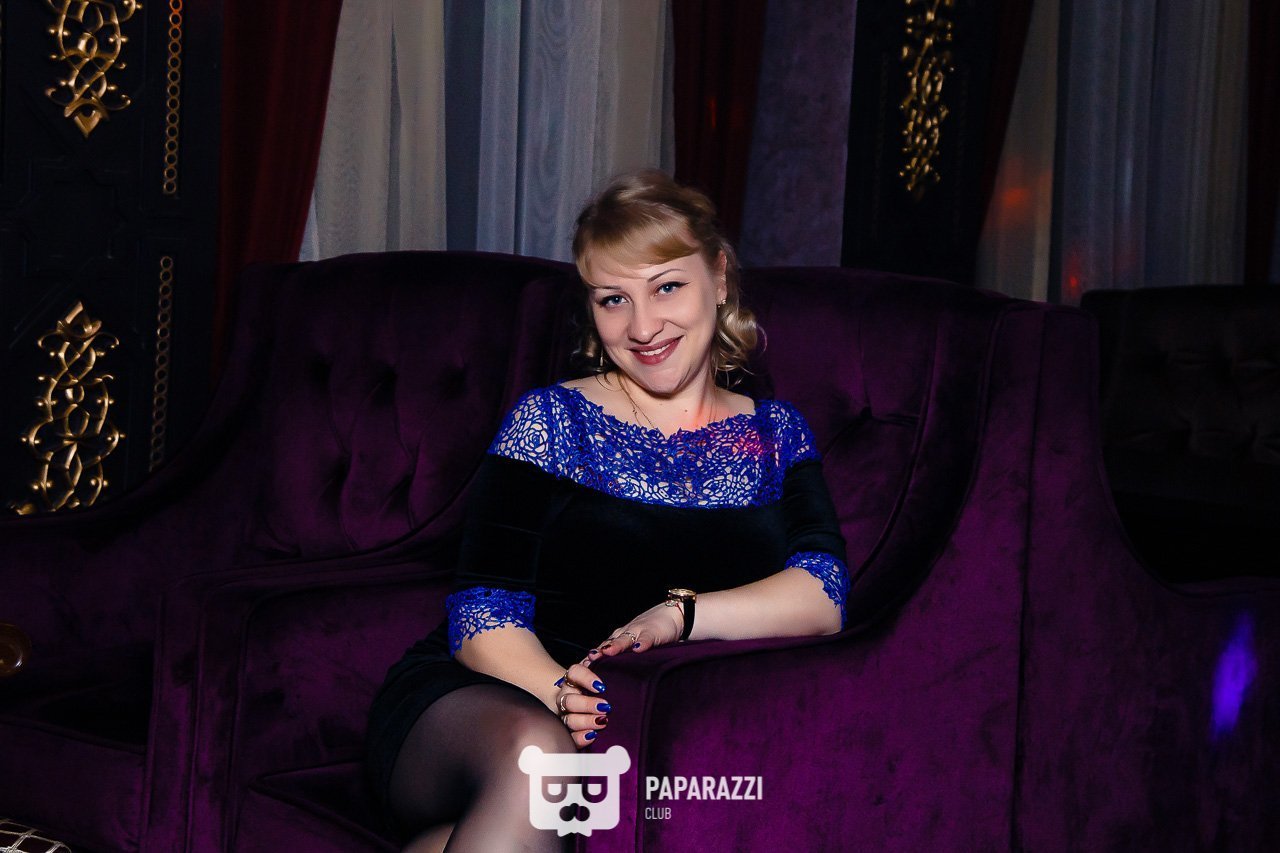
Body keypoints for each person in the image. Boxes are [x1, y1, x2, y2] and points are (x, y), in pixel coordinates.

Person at [365, 169, 849, 852]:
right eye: (613, 299)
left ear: (719, 276)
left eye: (667, 287)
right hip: (481, 701)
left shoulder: (777, 434)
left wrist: (679, 615)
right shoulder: (551, 420)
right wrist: (562, 694)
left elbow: (823, 593)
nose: (642, 327)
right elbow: (480, 617)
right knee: (542, 759)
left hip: (636, 726)